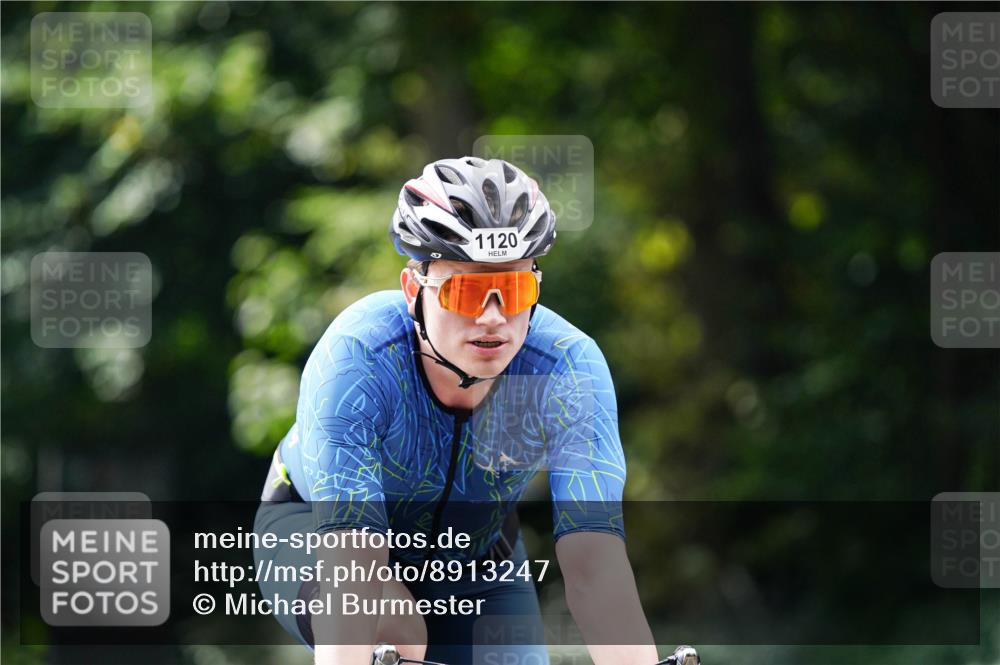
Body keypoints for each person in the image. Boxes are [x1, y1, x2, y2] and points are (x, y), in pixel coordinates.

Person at [255, 157, 658, 664]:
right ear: (412, 290)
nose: (494, 318)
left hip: (479, 560)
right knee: (396, 631)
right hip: (319, 536)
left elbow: (594, 564)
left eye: (513, 290)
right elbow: (351, 564)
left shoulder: (565, 368)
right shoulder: (358, 357)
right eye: (466, 291)